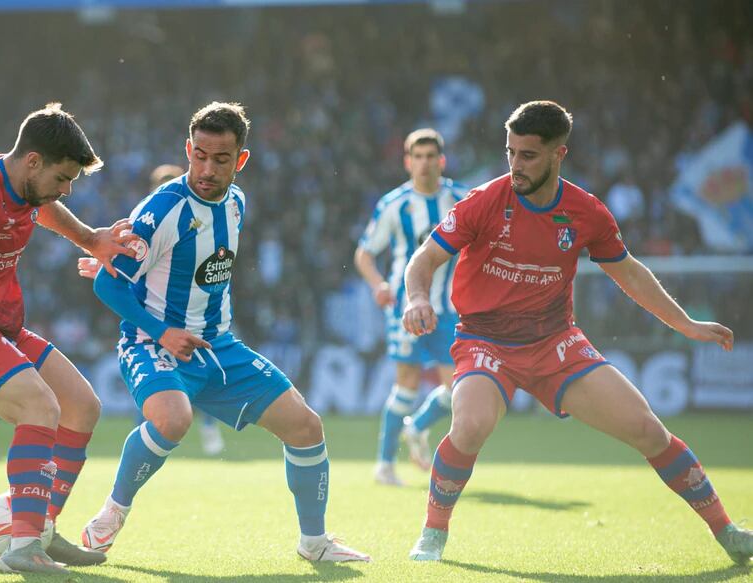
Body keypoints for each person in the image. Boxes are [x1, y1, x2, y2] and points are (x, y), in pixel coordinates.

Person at [402, 100, 753, 564]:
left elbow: (627, 273)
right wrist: (418, 298)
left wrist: (684, 323)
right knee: (469, 425)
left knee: (648, 430)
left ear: (558, 154)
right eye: (510, 152)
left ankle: (726, 531)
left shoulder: (586, 212)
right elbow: (423, 260)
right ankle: (433, 532)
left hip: (555, 342)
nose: (515, 164)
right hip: (486, 341)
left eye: (527, 155)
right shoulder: (485, 200)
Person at [77, 102, 370, 563]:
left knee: (306, 427)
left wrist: (142, 267)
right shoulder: (162, 208)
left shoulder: (236, 202)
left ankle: (314, 543)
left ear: (242, 160)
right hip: (152, 342)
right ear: (187, 149)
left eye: (221, 159)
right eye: (200, 156)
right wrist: (163, 330)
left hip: (216, 346)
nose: (207, 169)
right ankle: (112, 513)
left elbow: (193, 267)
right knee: (173, 420)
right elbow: (106, 285)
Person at [0, 103, 136, 574]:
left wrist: (92, 239)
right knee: (41, 407)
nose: (67, 188)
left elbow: (45, 208)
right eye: (64, 176)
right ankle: (22, 548)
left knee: (82, 406)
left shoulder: (27, 191)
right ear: (33, 161)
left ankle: (42, 530)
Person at [354, 129, 465, 486]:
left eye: (431, 156)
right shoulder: (395, 204)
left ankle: (416, 427)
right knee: (406, 385)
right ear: (407, 162)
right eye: (418, 156)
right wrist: (379, 285)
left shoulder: (461, 199)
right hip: (407, 308)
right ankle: (385, 464)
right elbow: (364, 253)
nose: (425, 163)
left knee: (457, 389)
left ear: (441, 160)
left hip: (449, 308)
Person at [132, 163, 227, 456]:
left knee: (196, 380)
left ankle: (209, 428)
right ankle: (145, 438)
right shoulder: (145, 218)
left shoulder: (197, 218)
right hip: (151, 322)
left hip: (187, 319)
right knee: (154, 387)